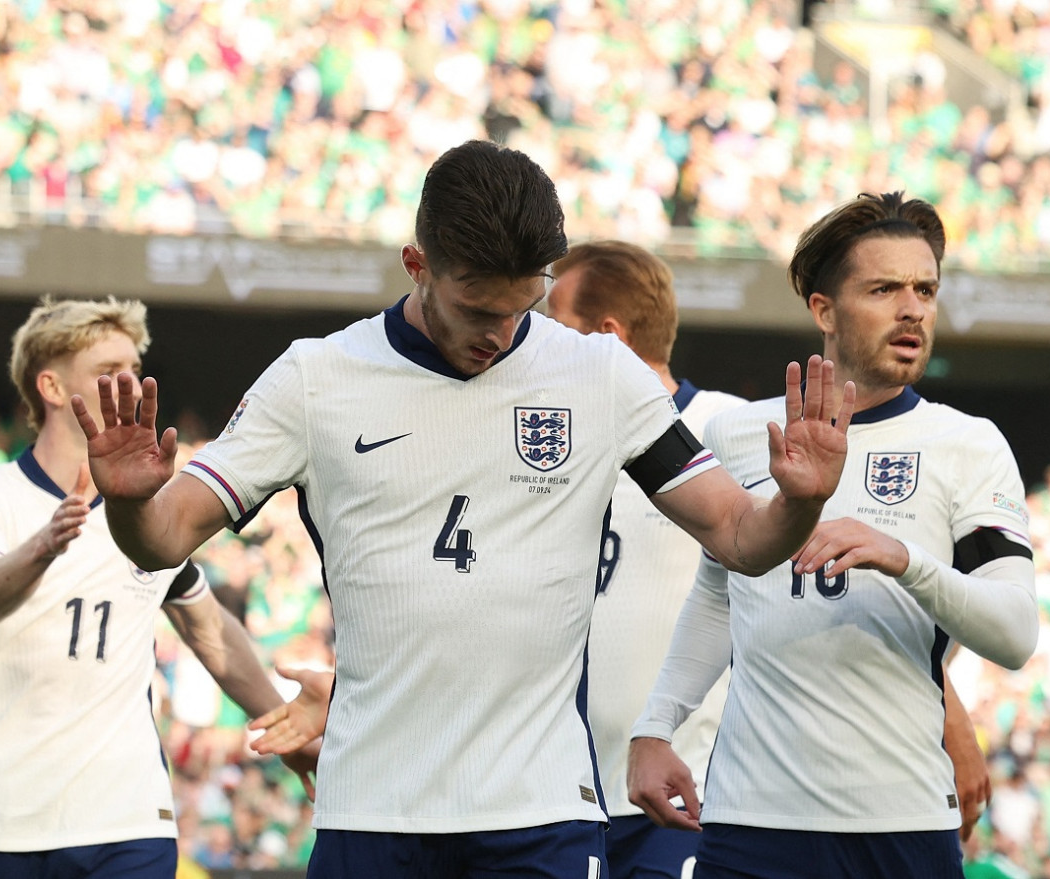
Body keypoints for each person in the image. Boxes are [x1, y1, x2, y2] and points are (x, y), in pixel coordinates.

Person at [73, 139, 855, 879]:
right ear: (418, 264)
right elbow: (161, 538)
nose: (501, 332)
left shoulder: (600, 374)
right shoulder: (317, 378)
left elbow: (741, 537)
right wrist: (130, 503)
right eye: (477, 308)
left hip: (542, 810)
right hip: (374, 810)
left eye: (524, 305)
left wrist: (799, 499)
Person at [627, 192, 1040, 879]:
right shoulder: (740, 434)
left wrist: (905, 560)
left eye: (925, 289)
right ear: (824, 309)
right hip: (750, 822)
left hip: (900, 823)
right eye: (884, 288)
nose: (912, 307)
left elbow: (1017, 632)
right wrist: (655, 724)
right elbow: (717, 596)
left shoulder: (967, 444)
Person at [0, 297, 322, 879]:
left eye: (131, 368)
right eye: (105, 372)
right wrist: (46, 542)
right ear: (49, 386)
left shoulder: (147, 510)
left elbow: (209, 629)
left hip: (129, 819)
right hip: (9, 818)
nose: (125, 383)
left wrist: (281, 723)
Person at [546, 240, 745, 879]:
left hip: (685, 797)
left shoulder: (727, 429)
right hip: (555, 800)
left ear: (607, 336)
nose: (532, 345)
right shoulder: (545, 444)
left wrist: (948, 712)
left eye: (552, 325)